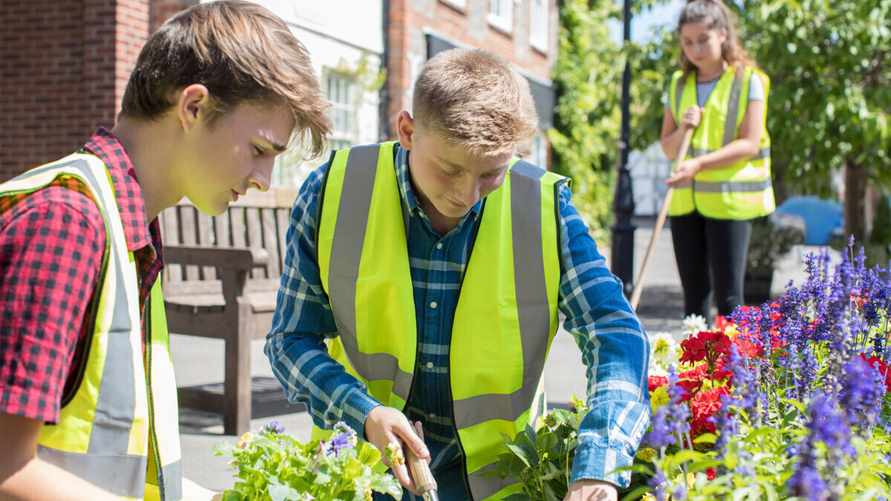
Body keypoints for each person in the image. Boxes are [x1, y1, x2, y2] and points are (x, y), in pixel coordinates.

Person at [266, 48, 649, 501]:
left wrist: (599, 462)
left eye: (492, 173)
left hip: (502, 483)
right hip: (363, 470)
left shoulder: (545, 207)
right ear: (407, 131)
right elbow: (290, 340)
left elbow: (615, 333)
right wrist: (362, 412)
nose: (468, 194)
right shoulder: (335, 189)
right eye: (450, 169)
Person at [0, 2, 330, 499]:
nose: (263, 180)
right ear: (193, 107)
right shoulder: (68, 221)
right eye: (260, 151)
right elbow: (7, 468)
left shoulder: (129, 226)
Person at [659, 0, 775, 321]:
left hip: (730, 203)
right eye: (687, 42)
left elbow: (749, 143)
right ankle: (695, 371)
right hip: (684, 203)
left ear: (723, 34)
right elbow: (669, 149)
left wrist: (698, 165)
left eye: (702, 39)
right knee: (694, 303)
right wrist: (684, 127)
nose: (695, 49)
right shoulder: (678, 84)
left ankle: (735, 371)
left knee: (729, 300)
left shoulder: (748, 80)